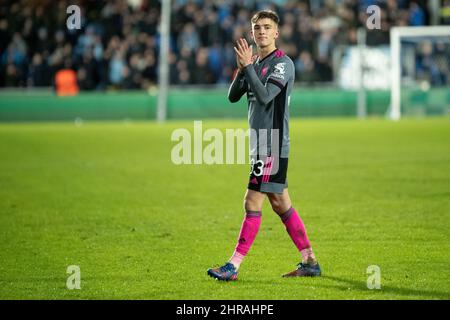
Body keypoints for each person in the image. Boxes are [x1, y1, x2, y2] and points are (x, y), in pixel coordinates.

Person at [207, 10, 321, 281]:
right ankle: (310, 261)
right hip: (261, 144)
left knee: (252, 200)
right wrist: (242, 67)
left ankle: (233, 265)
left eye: (267, 27)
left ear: (276, 33)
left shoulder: (283, 64)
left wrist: (249, 68)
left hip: (272, 143)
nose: (261, 32)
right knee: (280, 202)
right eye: (257, 28)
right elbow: (233, 96)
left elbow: (267, 97)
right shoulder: (254, 61)